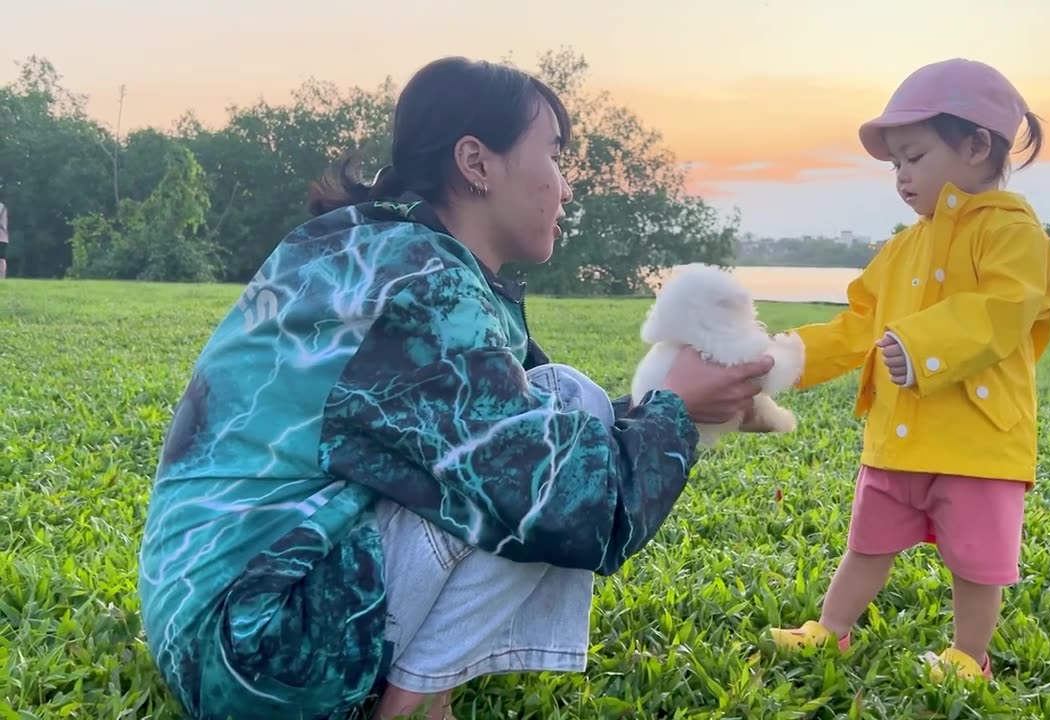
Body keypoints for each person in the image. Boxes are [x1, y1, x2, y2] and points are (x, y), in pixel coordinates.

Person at [137, 56, 775, 720]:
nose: (565, 187)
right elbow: (571, 503)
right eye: (553, 157)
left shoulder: (377, 251)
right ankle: (415, 706)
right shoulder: (422, 283)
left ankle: (416, 685)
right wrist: (675, 411)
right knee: (564, 410)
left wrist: (683, 405)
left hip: (212, 632)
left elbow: (507, 427)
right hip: (261, 655)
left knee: (555, 410)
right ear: (476, 163)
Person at [765, 58, 1050, 682]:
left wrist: (921, 343)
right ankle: (831, 630)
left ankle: (967, 655)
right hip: (896, 439)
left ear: (977, 146)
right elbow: (856, 326)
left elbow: (1003, 310)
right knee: (866, 544)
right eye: (895, 163)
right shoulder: (902, 248)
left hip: (979, 441)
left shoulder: (1013, 233)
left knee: (977, 563)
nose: (900, 176)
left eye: (914, 157)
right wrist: (781, 359)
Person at [0, 201, 9, 280]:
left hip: (1, 237)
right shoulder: (3, 206)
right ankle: (2, 278)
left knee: (1, 259)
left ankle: (2, 278)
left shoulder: (1, 207)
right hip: (3, 237)